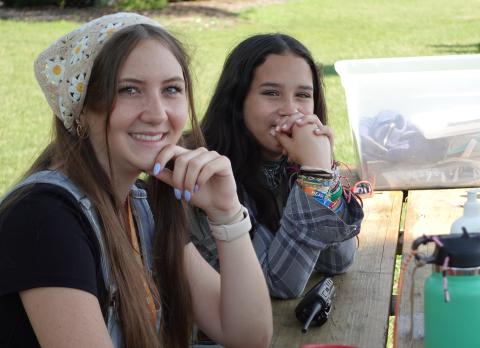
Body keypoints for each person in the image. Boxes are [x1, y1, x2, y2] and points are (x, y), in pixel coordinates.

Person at [0, 13, 272, 348]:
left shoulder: (141, 204)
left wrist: (227, 213)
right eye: (130, 90)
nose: (157, 113)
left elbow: (248, 335)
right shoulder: (44, 218)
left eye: (171, 89)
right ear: (82, 109)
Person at [191, 33, 364, 299]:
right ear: (238, 101)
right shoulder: (207, 173)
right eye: (272, 93)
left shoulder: (292, 161)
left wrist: (320, 171)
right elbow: (277, 283)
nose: (290, 109)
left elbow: (338, 260)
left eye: (303, 95)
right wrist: (316, 177)